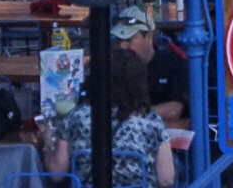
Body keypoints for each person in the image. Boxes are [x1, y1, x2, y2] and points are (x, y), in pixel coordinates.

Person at [42, 49, 175, 187]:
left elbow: (56, 174)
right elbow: (166, 179)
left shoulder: (75, 117)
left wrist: (47, 142)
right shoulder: (151, 121)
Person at [111, 7, 188, 123]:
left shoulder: (173, 64)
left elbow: (174, 111)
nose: (122, 46)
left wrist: (129, 114)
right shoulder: (112, 67)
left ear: (149, 37)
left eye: (128, 39)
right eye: (118, 40)